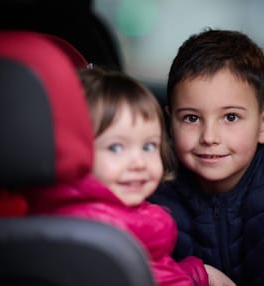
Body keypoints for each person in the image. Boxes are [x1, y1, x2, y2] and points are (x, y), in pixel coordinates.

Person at [149, 28, 264, 285]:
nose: (209, 136)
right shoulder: (156, 179)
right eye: (191, 118)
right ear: (171, 122)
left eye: (230, 117)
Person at [27, 67, 235, 286]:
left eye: (148, 146)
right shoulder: (94, 229)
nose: (139, 163)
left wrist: (198, 274)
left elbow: (154, 275)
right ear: (74, 153)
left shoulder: (115, 215)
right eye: (116, 148)